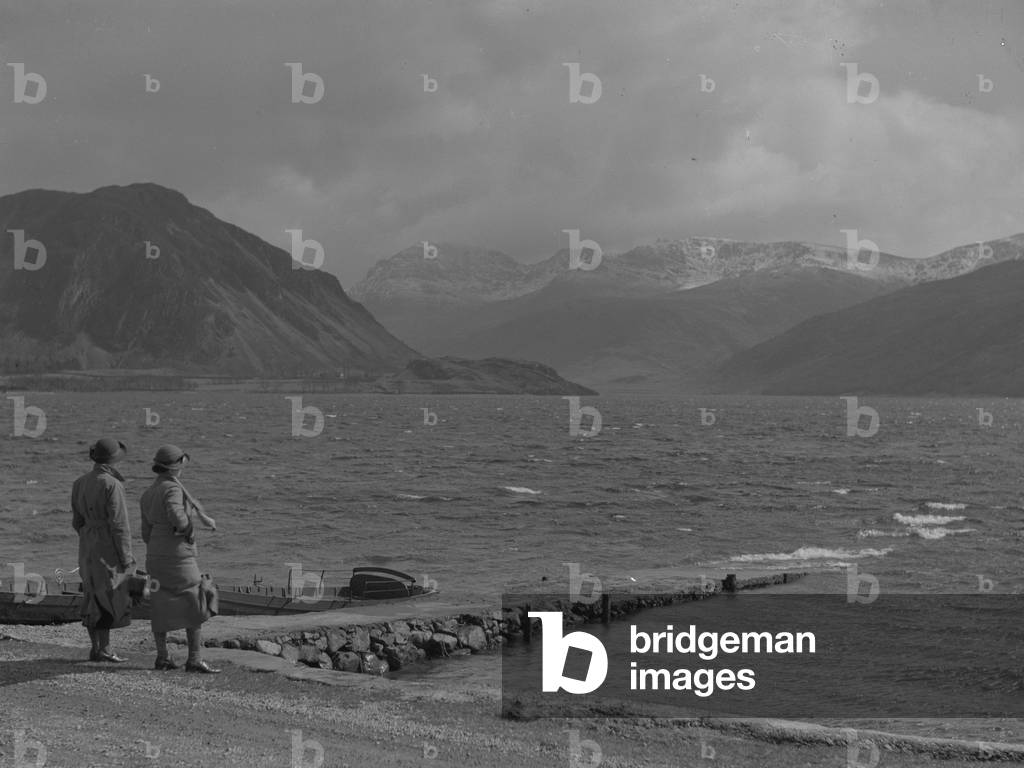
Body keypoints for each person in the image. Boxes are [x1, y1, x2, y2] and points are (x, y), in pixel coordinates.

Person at [140, 444, 220, 673]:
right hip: (177, 556)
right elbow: (177, 517)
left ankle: (162, 657)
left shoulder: (148, 493)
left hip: (155, 554)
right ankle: (194, 658)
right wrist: (188, 530)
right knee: (196, 598)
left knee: (161, 601)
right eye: (182, 464)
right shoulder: (173, 490)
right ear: (175, 466)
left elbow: (145, 533)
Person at [71, 437, 135, 662]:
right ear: (114, 460)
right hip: (106, 544)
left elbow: (76, 522)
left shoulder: (79, 482)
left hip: (87, 543)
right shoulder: (112, 484)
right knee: (108, 594)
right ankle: (105, 648)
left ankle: (95, 648)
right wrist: (127, 559)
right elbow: (119, 525)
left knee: (91, 593)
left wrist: (89, 536)